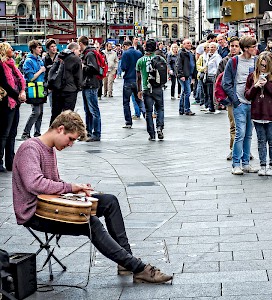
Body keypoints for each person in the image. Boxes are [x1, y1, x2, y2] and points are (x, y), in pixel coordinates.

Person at [12, 110, 173, 284]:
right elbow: (34, 184)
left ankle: (126, 262)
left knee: (110, 201)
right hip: (35, 213)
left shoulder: (49, 149)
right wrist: (70, 187)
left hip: (51, 206)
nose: (71, 144)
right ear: (60, 129)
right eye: (71, 139)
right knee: (89, 222)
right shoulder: (30, 148)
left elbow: (53, 184)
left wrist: (75, 191)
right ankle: (140, 269)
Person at [222, 35, 259, 175]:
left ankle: (246, 163)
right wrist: (235, 101)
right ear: (245, 49)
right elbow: (226, 83)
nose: (255, 49)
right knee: (240, 134)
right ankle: (235, 164)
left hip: (253, 103)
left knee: (249, 134)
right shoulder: (234, 61)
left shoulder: (256, 61)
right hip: (240, 103)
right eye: (252, 47)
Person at [245, 51, 272, 176]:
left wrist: (267, 85)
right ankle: (262, 165)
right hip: (257, 114)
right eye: (261, 65)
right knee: (261, 141)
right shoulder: (252, 76)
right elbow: (247, 95)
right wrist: (255, 86)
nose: (263, 68)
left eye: (265, 65)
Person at [0, 42, 26, 173]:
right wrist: (18, 95)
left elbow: (19, 80)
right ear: (4, 50)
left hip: (15, 102)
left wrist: (22, 91)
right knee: (4, 133)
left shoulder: (12, 65)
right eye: (10, 48)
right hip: (6, 102)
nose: (12, 49)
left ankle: (10, 161)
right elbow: (5, 84)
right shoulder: (1, 65)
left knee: (13, 133)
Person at [216, 36, 240, 160]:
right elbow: (218, 82)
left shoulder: (244, 60)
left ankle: (243, 149)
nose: (234, 48)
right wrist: (221, 100)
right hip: (231, 98)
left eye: (236, 46)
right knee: (233, 125)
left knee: (245, 126)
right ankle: (233, 149)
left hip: (244, 97)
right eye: (232, 46)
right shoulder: (224, 61)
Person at [136, 39, 165, 141]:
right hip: (157, 87)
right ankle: (159, 127)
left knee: (148, 111)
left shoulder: (140, 61)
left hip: (146, 88)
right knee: (160, 108)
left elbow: (138, 77)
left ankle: (151, 134)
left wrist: (139, 90)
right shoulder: (160, 59)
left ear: (145, 47)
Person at [49, 42, 83, 125]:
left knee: (55, 114)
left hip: (57, 89)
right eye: (78, 50)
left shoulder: (59, 56)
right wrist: (78, 87)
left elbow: (52, 71)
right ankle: (65, 134)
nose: (79, 52)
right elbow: (78, 77)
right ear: (74, 50)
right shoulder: (76, 59)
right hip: (70, 90)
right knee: (68, 115)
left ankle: (52, 133)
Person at [21, 40, 46, 140]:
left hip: (40, 87)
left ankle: (37, 132)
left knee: (40, 112)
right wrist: (41, 70)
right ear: (33, 48)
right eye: (38, 47)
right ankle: (25, 132)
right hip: (33, 88)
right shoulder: (28, 61)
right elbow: (31, 77)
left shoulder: (39, 59)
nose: (40, 49)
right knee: (36, 111)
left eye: (41, 47)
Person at [78, 35, 101, 142]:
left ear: (81, 44)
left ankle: (96, 133)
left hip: (91, 84)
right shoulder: (87, 53)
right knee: (88, 110)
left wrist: (83, 67)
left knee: (93, 110)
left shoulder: (90, 54)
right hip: (87, 84)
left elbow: (94, 69)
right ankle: (88, 132)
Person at [120, 40, 143, 129]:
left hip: (128, 80)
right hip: (137, 80)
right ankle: (147, 117)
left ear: (125, 46)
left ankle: (128, 122)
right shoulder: (139, 53)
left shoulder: (126, 54)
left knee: (126, 102)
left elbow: (123, 67)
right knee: (139, 100)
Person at [176, 39, 197, 116]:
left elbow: (194, 65)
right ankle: (187, 109)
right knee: (187, 92)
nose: (189, 45)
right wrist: (181, 75)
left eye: (190, 43)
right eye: (187, 43)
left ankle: (182, 109)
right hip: (184, 75)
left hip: (189, 75)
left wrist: (194, 76)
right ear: (183, 44)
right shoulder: (181, 53)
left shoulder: (191, 53)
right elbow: (178, 65)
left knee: (184, 92)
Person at [204, 42, 222, 114]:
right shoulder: (207, 56)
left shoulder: (217, 56)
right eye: (210, 47)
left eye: (213, 47)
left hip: (214, 75)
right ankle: (210, 107)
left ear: (216, 48)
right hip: (208, 75)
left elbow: (219, 66)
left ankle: (215, 107)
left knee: (213, 92)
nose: (211, 48)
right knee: (209, 92)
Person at [43, 38, 58, 108]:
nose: (54, 48)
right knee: (54, 108)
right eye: (52, 46)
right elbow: (44, 74)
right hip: (50, 88)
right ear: (48, 48)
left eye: (55, 46)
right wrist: (47, 86)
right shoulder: (44, 59)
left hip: (60, 87)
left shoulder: (60, 57)